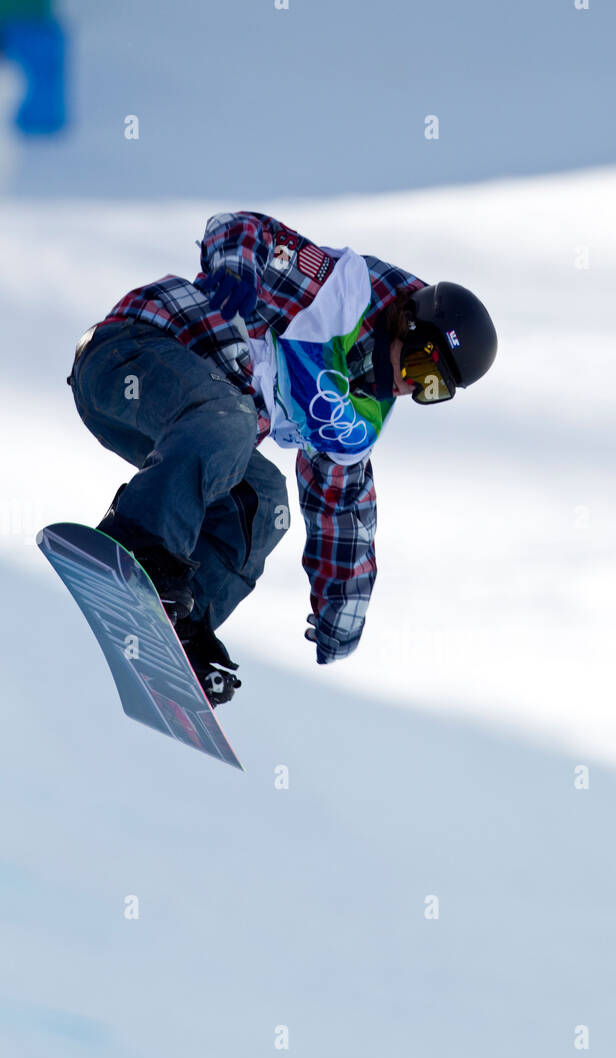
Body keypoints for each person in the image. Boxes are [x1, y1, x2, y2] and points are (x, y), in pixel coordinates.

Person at [66, 210, 497, 704]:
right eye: (422, 364)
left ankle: (179, 628)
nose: (411, 385)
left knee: (264, 502)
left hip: (175, 426)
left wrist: (343, 612)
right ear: (407, 321)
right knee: (232, 419)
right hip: (131, 353)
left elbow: (345, 510)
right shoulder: (335, 293)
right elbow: (244, 230)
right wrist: (236, 268)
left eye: (432, 389)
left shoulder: (354, 419)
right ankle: (138, 549)